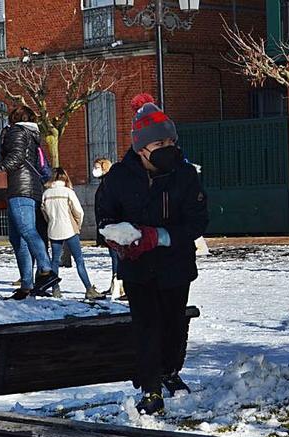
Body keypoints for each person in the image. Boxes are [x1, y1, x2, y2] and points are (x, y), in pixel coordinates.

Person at [98, 93, 208, 415]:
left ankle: (170, 371)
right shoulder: (118, 177)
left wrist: (159, 236)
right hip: (137, 269)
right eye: (159, 145)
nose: (167, 150)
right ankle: (150, 388)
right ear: (140, 147)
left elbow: (199, 221)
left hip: (175, 266)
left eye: (170, 142)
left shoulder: (185, 175)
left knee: (173, 323)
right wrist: (117, 239)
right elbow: (104, 216)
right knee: (146, 326)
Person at [0, 106, 58, 299]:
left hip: (20, 187)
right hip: (20, 188)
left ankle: (46, 270)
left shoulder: (18, 131)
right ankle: (26, 285)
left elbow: (16, 157)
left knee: (26, 230)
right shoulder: (19, 133)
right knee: (17, 239)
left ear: (15, 118)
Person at [41, 168, 103, 300]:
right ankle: (88, 288)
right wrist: (77, 225)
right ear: (65, 178)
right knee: (79, 260)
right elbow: (79, 211)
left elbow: (44, 213)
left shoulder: (46, 194)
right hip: (69, 229)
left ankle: (55, 289)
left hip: (53, 229)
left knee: (55, 260)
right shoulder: (68, 192)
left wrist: (51, 222)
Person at [92, 157, 124, 299]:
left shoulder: (109, 183)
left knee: (116, 257)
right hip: (108, 225)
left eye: (97, 166)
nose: (94, 169)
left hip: (112, 225)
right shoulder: (106, 183)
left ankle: (119, 286)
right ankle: (115, 286)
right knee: (114, 256)